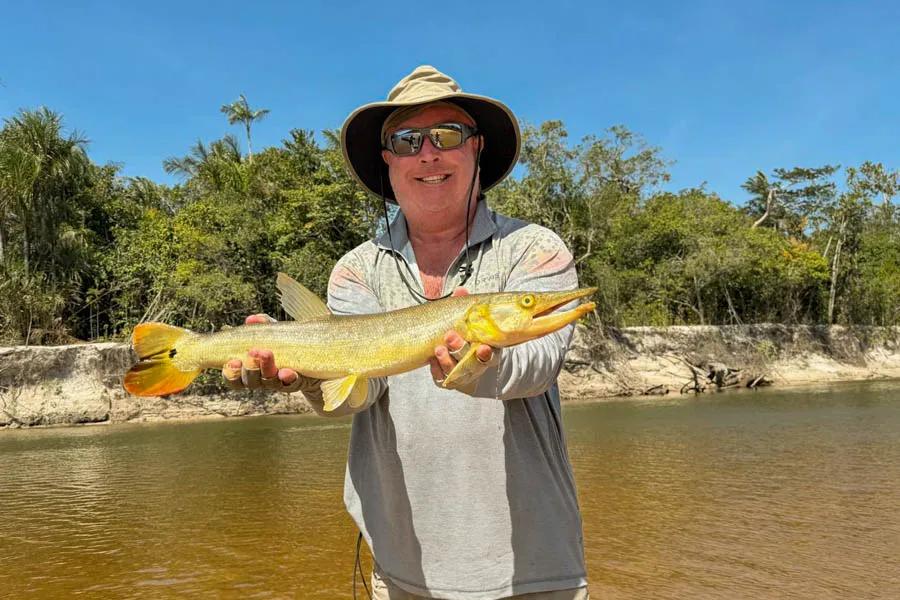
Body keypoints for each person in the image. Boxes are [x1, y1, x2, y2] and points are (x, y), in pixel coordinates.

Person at [224, 66, 590, 600]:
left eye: (447, 135)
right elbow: (361, 391)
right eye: (407, 139)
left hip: (535, 570)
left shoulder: (535, 249)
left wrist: (477, 360)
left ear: (477, 150)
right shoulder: (354, 270)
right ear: (388, 162)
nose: (429, 153)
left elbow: (539, 365)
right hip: (403, 571)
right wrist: (303, 378)